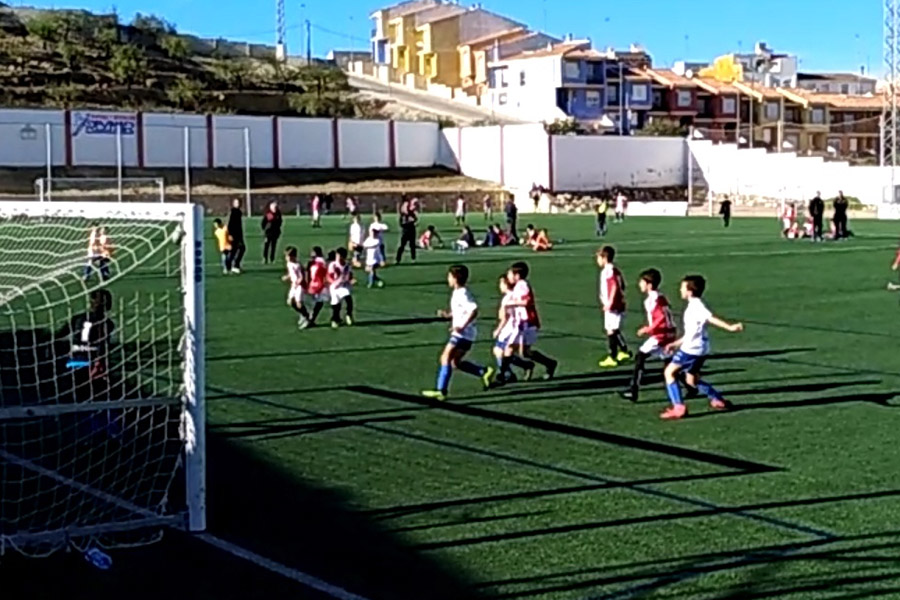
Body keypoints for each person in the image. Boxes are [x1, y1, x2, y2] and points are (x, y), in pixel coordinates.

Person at [660, 275, 744, 420]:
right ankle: (718, 399)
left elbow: (710, 318)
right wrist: (675, 343)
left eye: (682, 287)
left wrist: (730, 327)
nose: (680, 290)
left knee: (669, 373)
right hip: (701, 348)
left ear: (690, 291)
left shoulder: (696, 306)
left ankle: (678, 407)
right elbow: (692, 332)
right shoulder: (694, 305)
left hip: (692, 349)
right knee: (691, 380)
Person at [421, 265, 494, 400]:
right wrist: (448, 314)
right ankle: (483, 372)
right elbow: (462, 311)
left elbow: (473, 310)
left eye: (449, 276)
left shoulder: (462, 293)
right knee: (455, 362)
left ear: (455, 278)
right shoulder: (458, 292)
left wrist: (461, 326)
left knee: (445, 357)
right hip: (468, 334)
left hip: (462, 333)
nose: (447, 279)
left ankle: (441, 390)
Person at [620, 268, 676, 403]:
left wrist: (649, 328)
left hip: (661, 334)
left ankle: (633, 390)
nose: (639, 285)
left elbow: (662, 317)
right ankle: (691, 386)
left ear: (649, 285)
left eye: (642, 282)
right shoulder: (660, 297)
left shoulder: (652, 299)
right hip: (669, 333)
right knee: (669, 364)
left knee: (640, 356)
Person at [506, 262, 558, 380]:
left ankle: (506, 374)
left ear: (517, 275)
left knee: (513, 349)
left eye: (510, 273)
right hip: (523, 322)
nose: (508, 276)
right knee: (523, 352)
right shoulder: (518, 286)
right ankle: (548, 363)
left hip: (528, 322)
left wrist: (512, 303)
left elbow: (527, 302)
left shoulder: (522, 285)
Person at [491, 275, 533, 385]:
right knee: (499, 351)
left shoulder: (508, 298)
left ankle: (507, 374)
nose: (499, 286)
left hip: (510, 330)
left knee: (501, 351)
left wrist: (498, 329)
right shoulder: (511, 296)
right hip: (511, 329)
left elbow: (505, 318)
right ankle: (520, 368)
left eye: (501, 283)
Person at [597, 246, 632, 368]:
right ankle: (623, 351)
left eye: (599, 257)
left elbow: (615, 286)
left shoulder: (608, 271)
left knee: (611, 330)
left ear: (604, 258)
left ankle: (613, 356)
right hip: (616, 304)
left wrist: (610, 303)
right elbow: (622, 284)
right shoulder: (614, 270)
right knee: (613, 329)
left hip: (613, 305)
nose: (597, 260)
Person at [283, 247, 311, 329]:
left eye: (288, 256)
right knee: (290, 302)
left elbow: (301, 277)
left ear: (293, 256)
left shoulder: (297, 265)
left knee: (299, 303)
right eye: (286, 256)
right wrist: (287, 277)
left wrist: (298, 283)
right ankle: (303, 314)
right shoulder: (289, 264)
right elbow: (292, 273)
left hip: (299, 286)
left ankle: (306, 318)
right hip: (294, 285)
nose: (287, 258)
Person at [327, 248, 354, 328]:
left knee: (348, 299)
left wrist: (351, 280)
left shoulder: (347, 265)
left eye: (339, 256)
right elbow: (328, 276)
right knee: (336, 304)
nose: (338, 257)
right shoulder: (333, 265)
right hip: (335, 287)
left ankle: (349, 314)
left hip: (344, 286)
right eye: (337, 255)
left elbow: (350, 275)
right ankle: (335, 319)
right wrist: (333, 282)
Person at [306, 247, 329, 327]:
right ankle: (311, 318)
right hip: (317, 284)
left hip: (317, 284)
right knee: (318, 302)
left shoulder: (318, 262)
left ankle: (310, 318)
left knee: (317, 302)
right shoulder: (315, 262)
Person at [396, 196, 419, 264]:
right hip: (405, 230)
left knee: (412, 245)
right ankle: (398, 259)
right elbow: (401, 223)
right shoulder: (403, 215)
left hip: (411, 229)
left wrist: (412, 222)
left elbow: (415, 220)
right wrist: (405, 224)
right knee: (402, 245)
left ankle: (413, 258)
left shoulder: (411, 214)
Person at [227, 198, 246, 273]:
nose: (238, 204)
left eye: (239, 203)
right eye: (236, 202)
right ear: (233, 204)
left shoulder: (238, 212)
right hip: (234, 235)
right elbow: (230, 224)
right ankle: (233, 266)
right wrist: (230, 234)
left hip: (238, 234)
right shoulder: (234, 212)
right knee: (237, 249)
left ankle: (233, 265)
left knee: (237, 249)